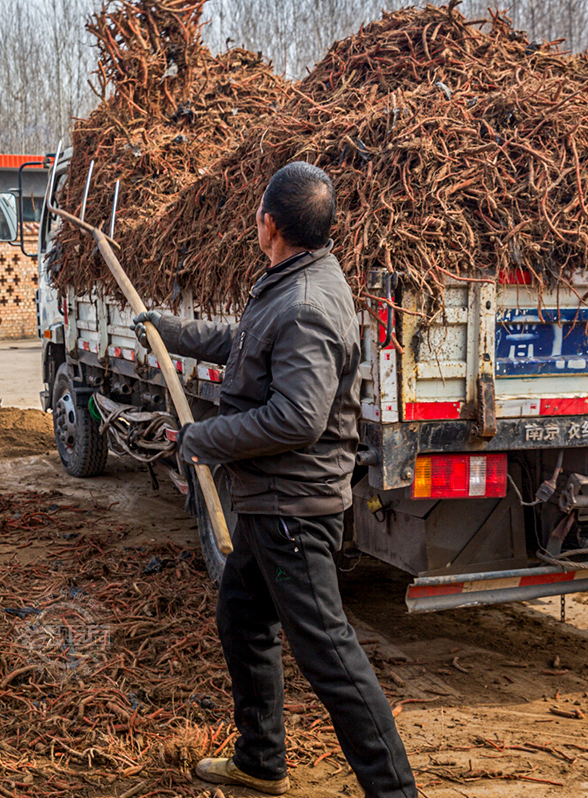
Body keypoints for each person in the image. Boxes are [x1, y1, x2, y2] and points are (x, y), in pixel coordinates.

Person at [134, 162, 417, 798]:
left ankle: (395, 793)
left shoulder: (308, 303)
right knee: (241, 618)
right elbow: (245, 341)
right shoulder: (296, 282)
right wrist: (171, 332)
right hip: (270, 503)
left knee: (330, 656)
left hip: (292, 507)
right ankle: (261, 759)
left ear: (269, 223)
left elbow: (297, 418)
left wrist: (202, 440)